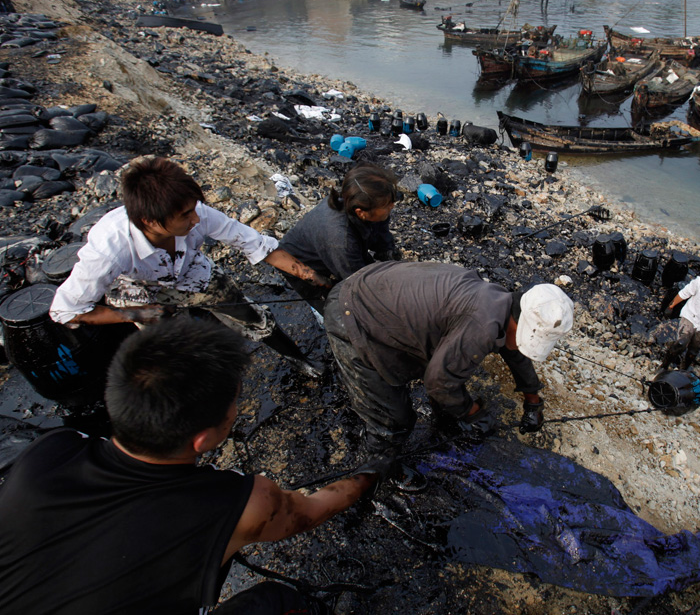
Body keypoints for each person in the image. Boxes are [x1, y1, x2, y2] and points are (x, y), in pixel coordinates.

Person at [0, 318, 383, 614]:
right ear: (201, 440)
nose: (236, 409)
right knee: (276, 602)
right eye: (234, 404)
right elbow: (311, 511)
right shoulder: (245, 504)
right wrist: (369, 475)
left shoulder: (50, 450)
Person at [49, 156, 330, 378]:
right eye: (185, 215)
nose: (196, 220)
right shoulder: (108, 250)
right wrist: (136, 313)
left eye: (194, 209)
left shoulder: (196, 213)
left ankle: (298, 359)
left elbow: (254, 243)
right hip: (136, 289)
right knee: (174, 346)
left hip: (188, 270)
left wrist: (309, 274)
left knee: (248, 313)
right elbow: (65, 310)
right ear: (149, 221)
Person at [324, 262, 574, 489]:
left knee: (446, 366)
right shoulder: (481, 327)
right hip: (352, 313)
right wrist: (473, 412)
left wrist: (533, 400)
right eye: (524, 338)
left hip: (374, 288)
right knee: (394, 419)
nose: (520, 345)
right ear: (519, 322)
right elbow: (439, 383)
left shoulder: (501, 301)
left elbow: (515, 353)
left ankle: (441, 412)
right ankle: (379, 471)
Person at [277, 163, 401, 313]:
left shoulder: (369, 205)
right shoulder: (341, 240)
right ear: (361, 212)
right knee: (338, 308)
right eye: (387, 205)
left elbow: (381, 232)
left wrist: (388, 253)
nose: (392, 206)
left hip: (335, 248)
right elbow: (356, 279)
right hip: (300, 262)